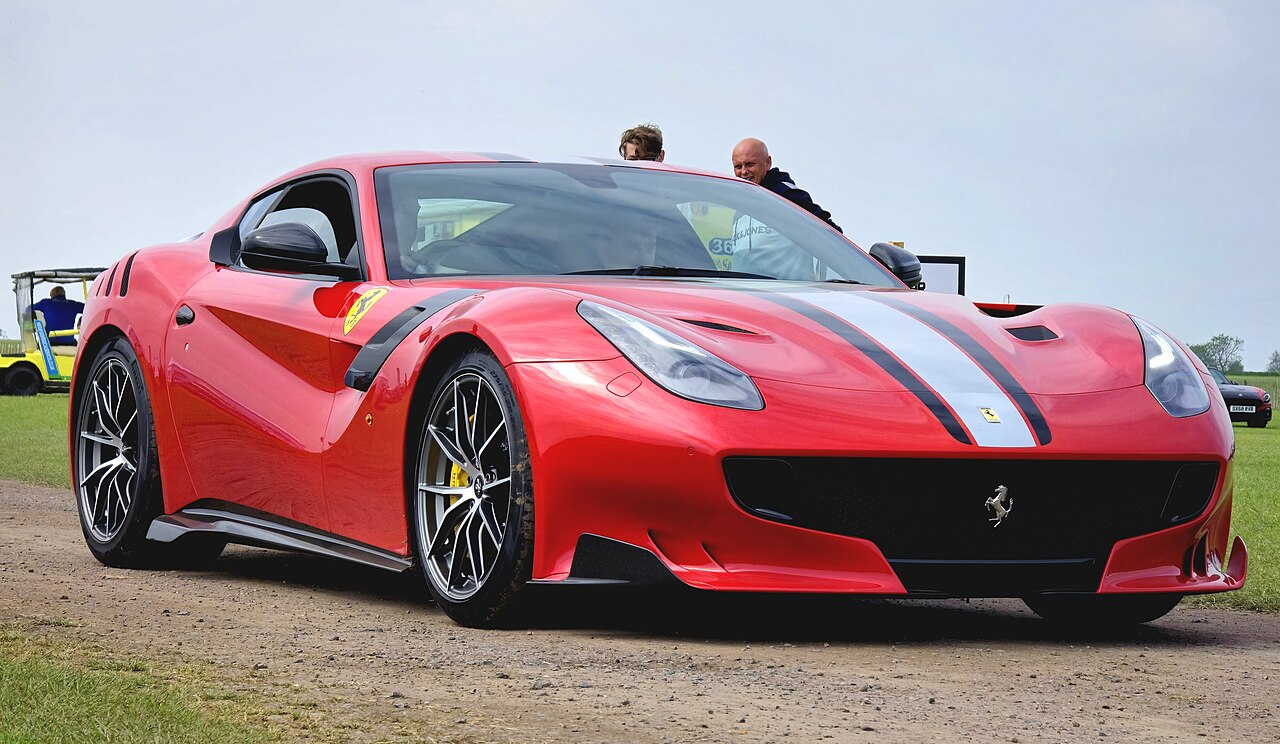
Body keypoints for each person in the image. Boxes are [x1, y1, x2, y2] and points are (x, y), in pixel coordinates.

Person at [731, 138, 841, 232]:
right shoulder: (738, 205)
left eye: (750, 164)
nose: (744, 172)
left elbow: (832, 233)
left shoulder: (784, 194)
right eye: (738, 167)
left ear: (768, 163)